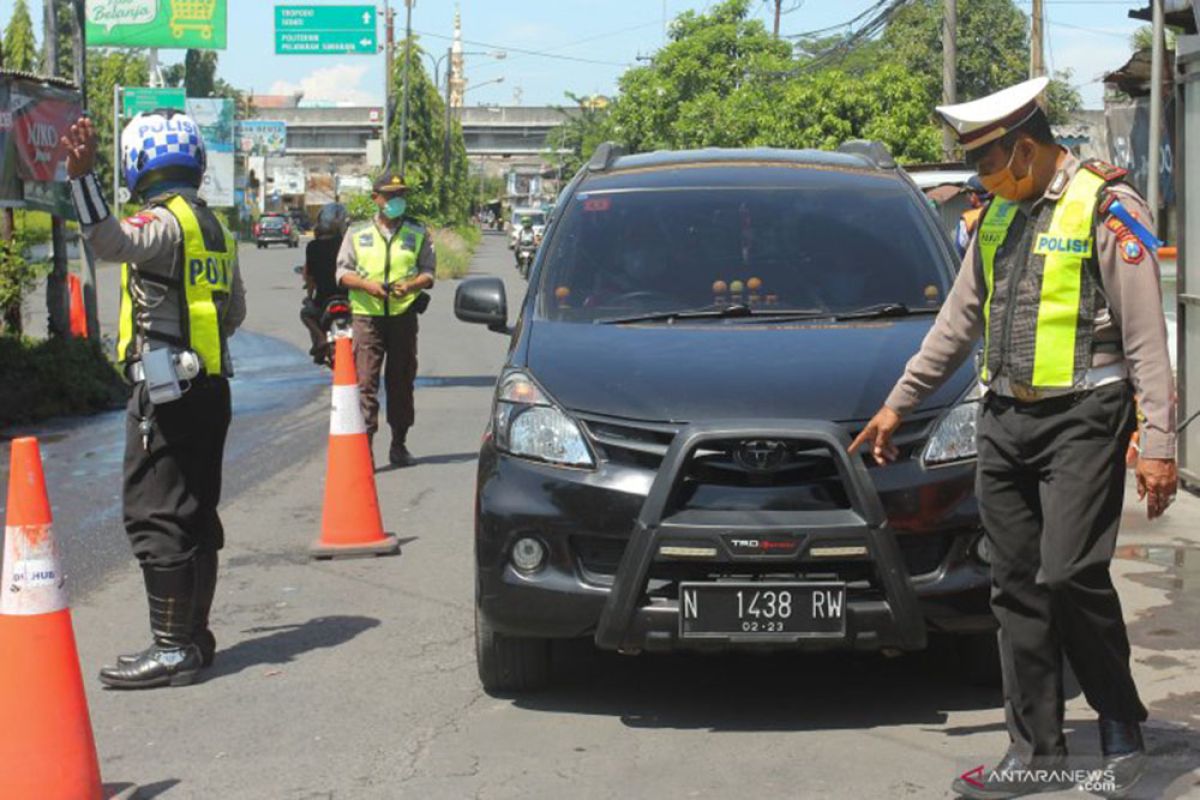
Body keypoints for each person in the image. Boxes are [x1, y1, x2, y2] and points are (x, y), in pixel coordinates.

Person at [851, 77, 1176, 799]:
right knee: (1015, 585)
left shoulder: (1109, 208)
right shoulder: (996, 215)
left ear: (1025, 149)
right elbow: (958, 322)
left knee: (1068, 575)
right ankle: (1037, 751)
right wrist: (897, 405)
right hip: (1004, 418)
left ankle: (1120, 724)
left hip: (1084, 417)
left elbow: (1147, 339)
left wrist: (1157, 442)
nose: (983, 179)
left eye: (990, 164)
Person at [61, 109, 246, 689]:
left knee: (155, 514)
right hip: (211, 387)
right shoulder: (214, 228)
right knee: (196, 512)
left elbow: (110, 241)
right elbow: (233, 311)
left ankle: (170, 647)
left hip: (167, 391)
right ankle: (194, 636)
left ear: (137, 164)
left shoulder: (164, 223)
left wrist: (81, 180)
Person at [336, 173, 435, 467]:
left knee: (401, 380)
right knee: (365, 382)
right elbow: (342, 273)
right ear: (376, 198)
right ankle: (365, 448)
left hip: (403, 316)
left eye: (400, 195)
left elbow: (429, 271)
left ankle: (399, 444)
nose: (396, 201)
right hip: (367, 317)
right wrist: (367, 286)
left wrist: (413, 285)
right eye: (390, 195)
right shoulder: (357, 233)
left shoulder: (417, 233)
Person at [301, 202, 349, 364]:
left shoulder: (313, 247)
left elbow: (310, 277)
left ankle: (321, 339)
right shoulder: (347, 244)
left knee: (306, 314)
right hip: (349, 296)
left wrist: (309, 296)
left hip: (324, 298)